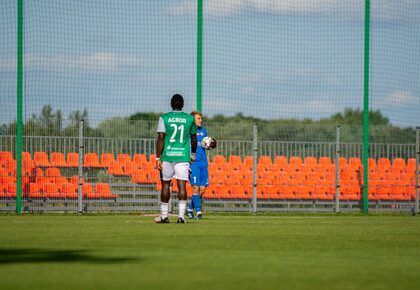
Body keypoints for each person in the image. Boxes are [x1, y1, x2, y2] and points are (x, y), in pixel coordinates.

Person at [155, 94, 197, 224]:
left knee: (165, 185)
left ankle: (164, 216)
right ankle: (181, 217)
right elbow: (194, 139)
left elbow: (161, 137)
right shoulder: (190, 119)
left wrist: (157, 157)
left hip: (167, 156)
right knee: (182, 186)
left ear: (171, 104)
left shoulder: (164, 118)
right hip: (183, 157)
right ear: (183, 105)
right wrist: (193, 154)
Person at [187, 111, 208, 219]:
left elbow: (204, 145)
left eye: (201, 118)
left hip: (203, 162)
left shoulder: (204, 131)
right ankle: (199, 212)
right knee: (195, 188)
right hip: (193, 163)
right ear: (193, 119)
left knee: (202, 189)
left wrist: (209, 144)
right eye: (198, 118)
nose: (201, 120)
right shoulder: (188, 131)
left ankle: (190, 209)